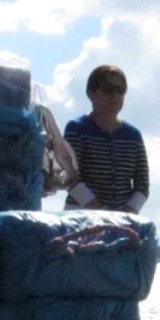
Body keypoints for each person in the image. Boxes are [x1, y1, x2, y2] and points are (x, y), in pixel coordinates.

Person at [64, 65, 149, 214]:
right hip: (80, 218)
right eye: (108, 89)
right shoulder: (77, 128)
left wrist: (127, 214)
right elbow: (70, 176)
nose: (114, 96)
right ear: (91, 94)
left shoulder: (133, 135)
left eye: (120, 90)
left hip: (122, 223)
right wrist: (100, 211)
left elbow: (142, 184)